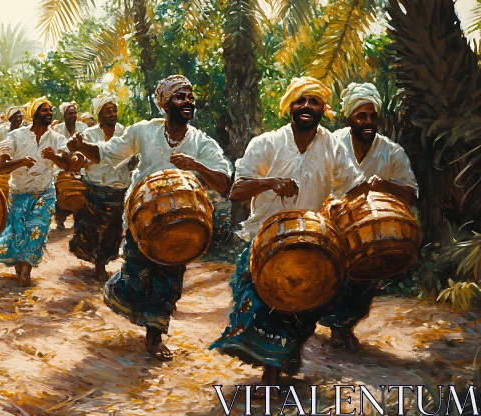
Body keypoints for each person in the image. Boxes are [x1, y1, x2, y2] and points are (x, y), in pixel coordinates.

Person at [209, 77, 369, 386]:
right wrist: (270, 182)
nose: (307, 106)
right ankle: (273, 369)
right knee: (264, 304)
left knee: (305, 307)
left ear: (324, 109)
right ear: (290, 107)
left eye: (314, 102)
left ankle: (277, 366)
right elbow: (237, 189)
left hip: (312, 241)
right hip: (267, 237)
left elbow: (351, 186)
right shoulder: (266, 143)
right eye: (301, 101)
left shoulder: (333, 145)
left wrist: (349, 200)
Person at [68, 75, 232, 361]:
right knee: (137, 272)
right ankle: (127, 296)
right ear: (165, 103)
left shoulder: (201, 142)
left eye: (191, 97)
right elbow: (108, 153)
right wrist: (82, 147)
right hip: (142, 216)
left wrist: (196, 166)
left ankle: (154, 336)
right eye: (180, 97)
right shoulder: (144, 131)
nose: (188, 102)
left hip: (182, 222)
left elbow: (224, 182)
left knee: (169, 279)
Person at [319, 82, 418, 350]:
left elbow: (410, 193)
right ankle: (331, 324)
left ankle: (343, 326)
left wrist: (384, 185)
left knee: (366, 277)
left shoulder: (391, 151)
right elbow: (315, 183)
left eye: (373, 116)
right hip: (332, 222)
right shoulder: (331, 144)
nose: (368, 121)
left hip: (373, 231)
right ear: (350, 117)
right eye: (361, 116)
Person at [0, 97, 72, 287]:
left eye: (51, 110)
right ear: (34, 115)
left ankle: (26, 270)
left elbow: (67, 165)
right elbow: (1, 167)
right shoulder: (15, 136)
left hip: (45, 192)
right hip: (19, 193)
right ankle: (20, 264)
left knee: (38, 230)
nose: (49, 113)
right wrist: (21, 162)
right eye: (44, 110)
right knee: (20, 233)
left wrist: (54, 157)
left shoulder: (57, 139)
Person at [67, 92, 130, 282]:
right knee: (93, 229)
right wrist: (78, 157)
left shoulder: (124, 133)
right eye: (108, 111)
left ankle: (103, 260)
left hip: (119, 187)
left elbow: (133, 154)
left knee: (113, 230)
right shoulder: (88, 135)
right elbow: (84, 158)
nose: (112, 114)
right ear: (100, 115)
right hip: (96, 188)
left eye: (114, 110)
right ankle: (99, 264)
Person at [53, 101, 88, 229]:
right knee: (59, 182)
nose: (73, 116)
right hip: (62, 162)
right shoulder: (57, 129)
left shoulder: (83, 127)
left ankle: (78, 216)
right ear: (64, 115)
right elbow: (57, 147)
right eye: (70, 114)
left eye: (74, 113)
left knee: (84, 183)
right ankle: (60, 216)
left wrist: (76, 160)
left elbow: (84, 146)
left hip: (80, 162)